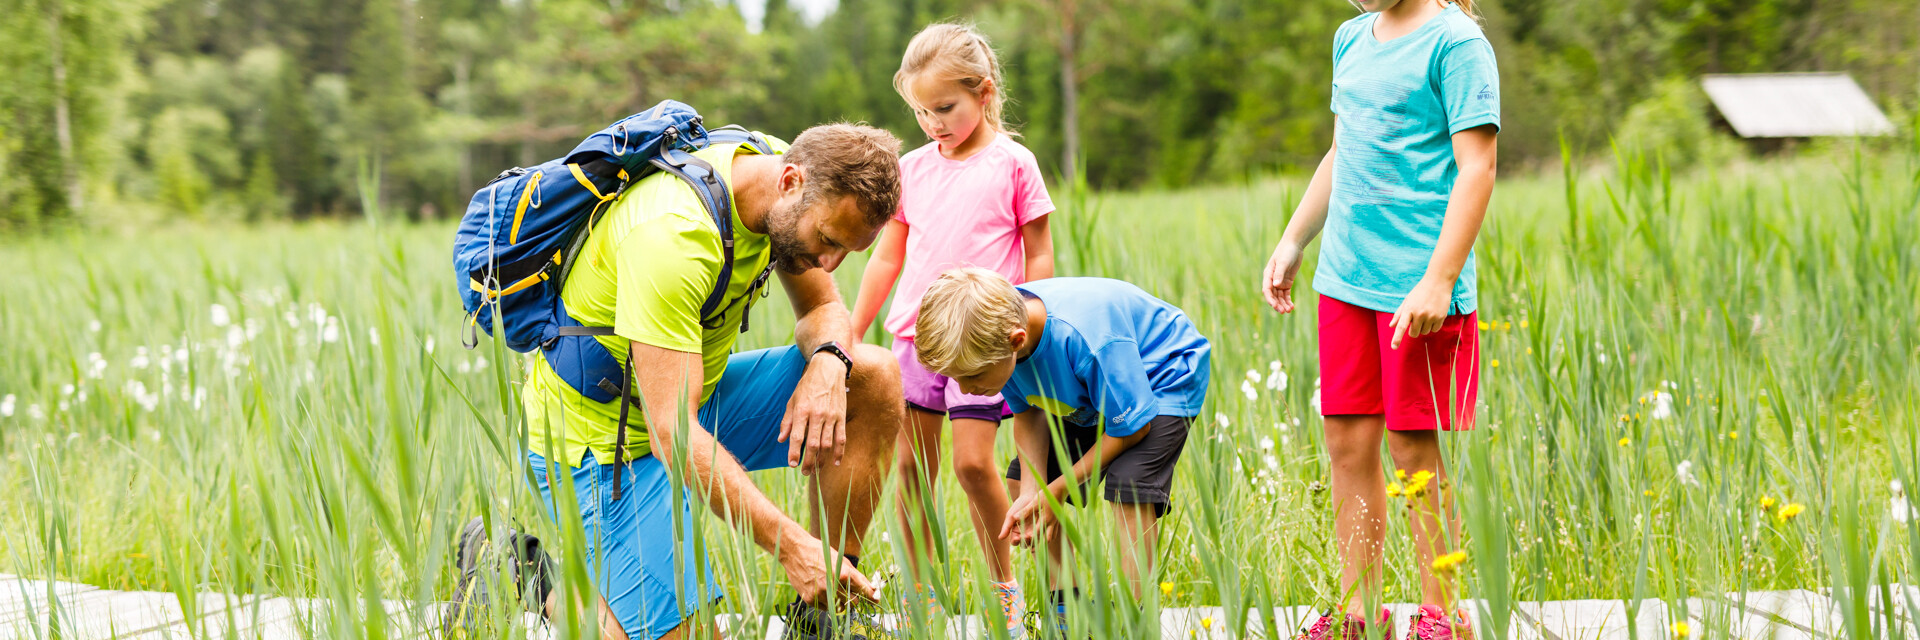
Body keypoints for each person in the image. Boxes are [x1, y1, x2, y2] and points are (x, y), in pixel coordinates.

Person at [457, 123, 908, 640]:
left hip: (687, 402)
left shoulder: (785, 183)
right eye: (827, 241)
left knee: (869, 375)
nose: (829, 262)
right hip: (605, 440)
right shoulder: (672, 236)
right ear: (789, 181)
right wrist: (792, 548)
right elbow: (672, 433)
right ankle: (524, 572)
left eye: (848, 250)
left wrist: (829, 361)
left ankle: (825, 612)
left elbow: (823, 305)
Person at [1260, 0, 1499, 638]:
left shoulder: (1457, 43)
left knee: (1412, 446)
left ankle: (1441, 614)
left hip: (1417, 285)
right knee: (1346, 442)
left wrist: (1440, 280)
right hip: (1346, 278)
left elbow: (1478, 167)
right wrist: (1293, 240)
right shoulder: (1350, 38)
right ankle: (1358, 612)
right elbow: (1343, 152)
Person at [849, 21, 1055, 637]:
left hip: (983, 342)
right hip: (914, 340)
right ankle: (921, 596)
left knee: (971, 466)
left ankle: (1005, 588)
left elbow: (1039, 253)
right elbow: (888, 256)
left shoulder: (1015, 163)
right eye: (921, 111)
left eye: (946, 107)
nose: (934, 122)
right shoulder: (911, 168)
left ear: (984, 92)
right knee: (911, 470)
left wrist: (1030, 311)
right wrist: (853, 333)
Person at [912, 268, 1211, 639]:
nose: (965, 389)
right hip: (1095, 390)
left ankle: (1135, 621)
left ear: (1016, 341)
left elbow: (1134, 429)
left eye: (971, 378)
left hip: (1162, 374)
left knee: (1129, 482)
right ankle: (1068, 611)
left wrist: (1057, 491)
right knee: (1024, 480)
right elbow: (1029, 413)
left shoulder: (1085, 339)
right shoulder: (1004, 337)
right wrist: (1033, 493)